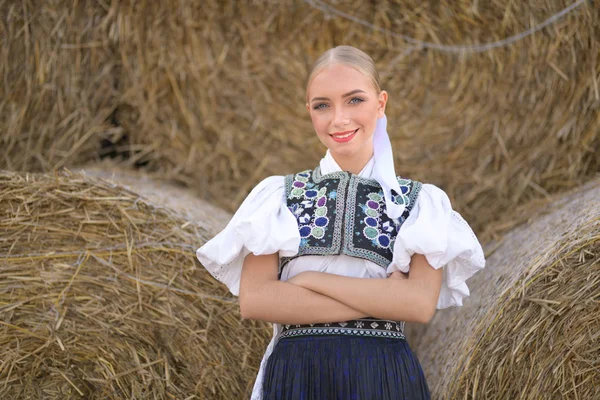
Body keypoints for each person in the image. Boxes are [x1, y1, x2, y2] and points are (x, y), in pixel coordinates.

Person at [196, 45, 486, 400]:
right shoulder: (278, 196)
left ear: (380, 104)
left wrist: (310, 280)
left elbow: (419, 306)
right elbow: (256, 300)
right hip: (299, 377)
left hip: (382, 378)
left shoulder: (420, 203)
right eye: (322, 105)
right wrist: (387, 298)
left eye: (354, 101)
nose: (339, 119)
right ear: (309, 112)